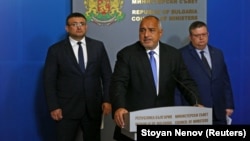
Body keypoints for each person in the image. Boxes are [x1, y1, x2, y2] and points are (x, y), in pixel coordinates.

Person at [109, 15, 202, 141]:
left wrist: (195, 102)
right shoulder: (127, 55)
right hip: (134, 124)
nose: (146, 34)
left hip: (164, 122)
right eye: (142, 30)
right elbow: (118, 84)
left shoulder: (173, 55)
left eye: (151, 30)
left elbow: (186, 82)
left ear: (160, 33)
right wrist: (119, 106)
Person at [43, 12, 112, 141]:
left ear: (86, 26)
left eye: (82, 24)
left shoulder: (98, 46)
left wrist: (107, 99)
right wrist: (54, 106)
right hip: (66, 109)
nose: (79, 27)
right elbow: (49, 81)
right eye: (74, 24)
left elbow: (107, 75)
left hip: (93, 108)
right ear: (67, 28)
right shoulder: (55, 50)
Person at [176, 21, 234, 125]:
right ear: (190, 37)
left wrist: (229, 104)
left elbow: (225, 81)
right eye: (197, 35)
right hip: (195, 112)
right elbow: (177, 87)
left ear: (208, 34)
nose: (201, 38)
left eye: (204, 34)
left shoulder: (217, 53)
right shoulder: (181, 55)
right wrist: (179, 112)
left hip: (219, 112)